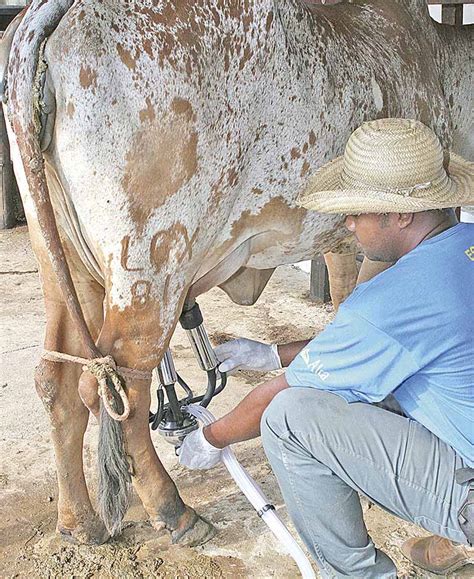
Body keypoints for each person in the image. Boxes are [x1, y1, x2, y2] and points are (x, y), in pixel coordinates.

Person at [178, 118, 474, 577]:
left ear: (401, 214)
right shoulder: (463, 247)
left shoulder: (391, 300)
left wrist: (209, 438)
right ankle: (443, 545)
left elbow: (277, 396)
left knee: (289, 418)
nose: (348, 222)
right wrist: (270, 353)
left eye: (357, 210)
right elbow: (369, 345)